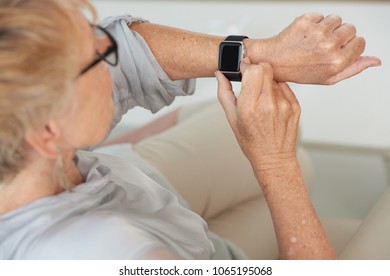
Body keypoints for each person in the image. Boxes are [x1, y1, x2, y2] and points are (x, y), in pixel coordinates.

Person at [0, 0, 380, 260]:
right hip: (174, 249)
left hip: (165, 214)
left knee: (273, 146)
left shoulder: (25, 132)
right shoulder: (108, 251)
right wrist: (276, 166)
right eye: (97, 58)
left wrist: (264, 52)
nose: (111, 49)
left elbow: (130, 48)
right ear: (48, 132)